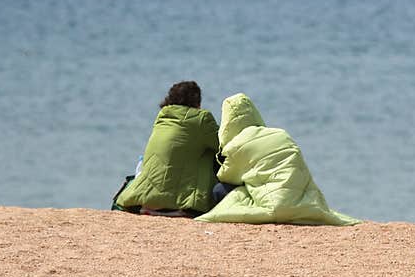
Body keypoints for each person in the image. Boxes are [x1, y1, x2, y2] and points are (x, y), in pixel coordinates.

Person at [196, 93, 359, 226]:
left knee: (221, 190)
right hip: (305, 204)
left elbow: (227, 177)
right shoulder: (281, 133)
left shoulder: (236, 145)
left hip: (276, 206)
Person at [114, 81, 219, 217]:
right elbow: (222, 145)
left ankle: (155, 205)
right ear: (197, 101)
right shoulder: (202, 119)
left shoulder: (162, 117)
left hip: (145, 196)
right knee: (210, 152)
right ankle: (185, 205)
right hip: (180, 200)